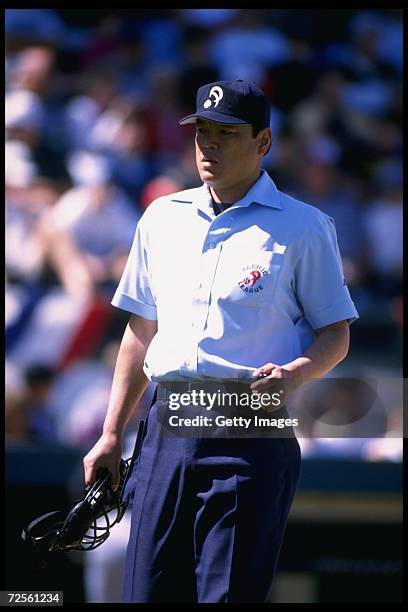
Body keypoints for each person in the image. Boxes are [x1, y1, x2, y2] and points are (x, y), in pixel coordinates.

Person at [83, 80, 359, 603]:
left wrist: (299, 372)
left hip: (250, 428)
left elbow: (335, 333)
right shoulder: (162, 217)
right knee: (145, 592)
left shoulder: (304, 227)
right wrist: (111, 432)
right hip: (166, 429)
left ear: (263, 143)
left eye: (227, 134)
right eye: (202, 132)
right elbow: (141, 332)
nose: (209, 145)